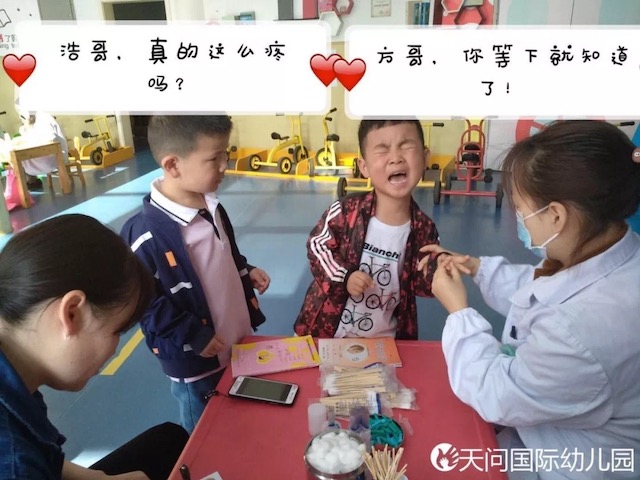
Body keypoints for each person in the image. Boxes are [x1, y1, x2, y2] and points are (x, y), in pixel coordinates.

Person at [420, 120, 640, 479]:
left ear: (556, 215)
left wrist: (459, 312)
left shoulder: (584, 332)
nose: (519, 220)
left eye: (521, 211)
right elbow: (542, 290)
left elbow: (496, 394)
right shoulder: (611, 249)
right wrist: (477, 268)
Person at [0, 214, 189, 480]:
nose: (114, 350)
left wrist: (102, 479)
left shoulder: (17, 373)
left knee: (168, 441)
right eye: (117, 331)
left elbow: (43, 452)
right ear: (72, 314)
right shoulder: (15, 465)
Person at [120, 115, 270, 434]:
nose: (225, 165)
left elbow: (224, 254)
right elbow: (143, 304)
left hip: (236, 339)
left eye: (225, 153)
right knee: (202, 432)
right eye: (214, 158)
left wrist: (246, 271)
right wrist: (193, 335)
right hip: (197, 359)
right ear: (173, 165)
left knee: (239, 416)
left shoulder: (212, 206)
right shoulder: (145, 234)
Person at [293, 118, 441, 339]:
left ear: (425, 157)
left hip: (385, 339)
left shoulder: (424, 228)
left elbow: (422, 284)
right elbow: (318, 246)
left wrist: (442, 270)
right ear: (364, 167)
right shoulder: (346, 212)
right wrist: (345, 277)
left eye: (406, 146)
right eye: (382, 150)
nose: (396, 158)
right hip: (325, 333)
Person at [14, 100, 69, 190]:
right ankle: (31, 183)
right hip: (43, 157)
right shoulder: (29, 121)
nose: (20, 113)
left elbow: (49, 139)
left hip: (54, 157)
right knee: (15, 156)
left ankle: (31, 182)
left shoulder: (44, 118)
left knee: (21, 157)